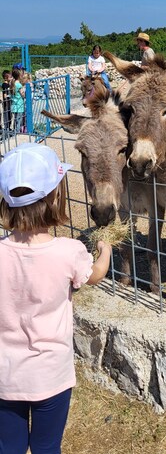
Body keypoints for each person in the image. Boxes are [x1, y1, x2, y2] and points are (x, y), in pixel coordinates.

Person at [0, 142, 111, 454]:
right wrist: (105, 251)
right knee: (47, 446)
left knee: (9, 446)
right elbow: (94, 275)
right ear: (55, 197)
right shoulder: (69, 251)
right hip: (51, 376)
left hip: (6, 374)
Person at [10, 68, 25, 133]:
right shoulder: (19, 85)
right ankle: (17, 133)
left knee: (15, 120)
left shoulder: (12, 84)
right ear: (19, 76)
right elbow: (23, 95)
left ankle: (15, 132)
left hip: (14, 105)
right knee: (19, 120)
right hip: (19, 105)